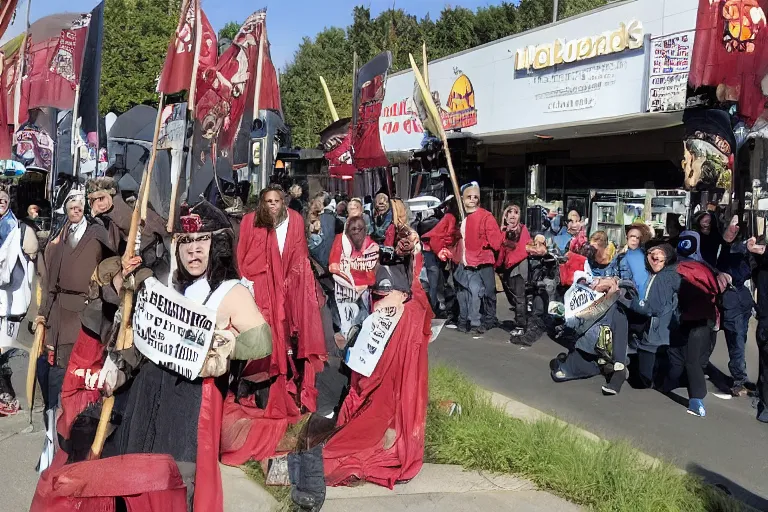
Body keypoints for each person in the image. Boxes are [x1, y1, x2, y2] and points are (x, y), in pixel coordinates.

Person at [32, 199, 273, 512]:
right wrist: (121, 366)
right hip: (145, 404)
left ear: (217, 244)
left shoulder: (229, 291)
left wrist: (217, 349)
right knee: (134, 488)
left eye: (203, 240)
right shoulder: (169, 285)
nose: (194, 250)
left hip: (189, 413)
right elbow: (145, 337)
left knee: (175, 490)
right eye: (186, 241)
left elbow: (261, 342)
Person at [225, 185, 327, 465]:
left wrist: (293, 289)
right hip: (260, 293)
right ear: (261, 203)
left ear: (283, 202)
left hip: (285, 291)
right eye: (267, 201)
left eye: (276, 200)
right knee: (259, 345)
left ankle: (278, 391)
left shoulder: (293, 220)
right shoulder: (250, 222)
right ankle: (252, 392)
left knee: (284, 346)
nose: (272, 205)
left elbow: (299, 255)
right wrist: (249, 287)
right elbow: (243, 257)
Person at [34, 189, 115, 470]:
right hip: (59, 315)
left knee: (78, 382)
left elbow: (115, 254)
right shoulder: (60, 237)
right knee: (56, 383)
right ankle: (54, 446)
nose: (76, 208)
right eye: (72, 204)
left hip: (86, 315)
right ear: (66, 208)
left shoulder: (97, 233)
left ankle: (77, 447)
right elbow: (48, 284)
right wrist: (43, 316)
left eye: (81, 204)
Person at [0, 188, 39, 416]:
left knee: (5, 349)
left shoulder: (21, 230)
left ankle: (8, 396)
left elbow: (33, 256)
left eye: (3, 200)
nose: (0, 203)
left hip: (13, 304)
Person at [453, 182, 503, 334]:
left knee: (487, 292)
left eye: (476, 197)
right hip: (468, 262)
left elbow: (496, 242)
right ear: (463, 199)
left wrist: (484, 244)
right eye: (469, 197)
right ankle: (474, 320)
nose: (473, 199)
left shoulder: (486, 216)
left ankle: (488, 319)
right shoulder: (463, 218)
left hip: (482, 261)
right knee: (473, 293)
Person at [497, 204, 531, 339]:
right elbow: (499, 251)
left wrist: (509, 258)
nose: (512, 215)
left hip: (518, 268)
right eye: (509, 212)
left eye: (515, 212)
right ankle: (523, 320)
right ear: (505, 217)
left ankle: (521, 326)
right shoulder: (503, 232)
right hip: (506, 269)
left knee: (519, 298)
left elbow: (523, 249)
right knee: (513, 298)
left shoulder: (523, 229)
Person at [421, 198, 459, 316]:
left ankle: (437, 306)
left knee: (437, 280)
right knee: (435, 281)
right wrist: (441, 252)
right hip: (434, 250)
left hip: (430, 249)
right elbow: (439, 237)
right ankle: (433, 309)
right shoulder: (450, 218)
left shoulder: (445, 216)